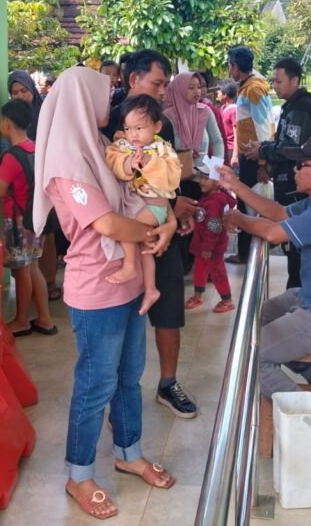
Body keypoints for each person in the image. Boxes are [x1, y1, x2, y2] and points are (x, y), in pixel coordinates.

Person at [32, 67, 177, 520]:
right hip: (98, 286)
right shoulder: (64, 163)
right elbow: (108, 224)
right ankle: (79, 475)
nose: (110, 99)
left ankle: (128, 452)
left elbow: (140, 196)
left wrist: (166, 223)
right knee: (96, 384)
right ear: (81, 99)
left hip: (130, 281)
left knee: (129, 376)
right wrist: (153, 232)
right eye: (103, 93)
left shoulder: (100, 146)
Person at [219, 133, 311, 471]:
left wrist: (240, 221)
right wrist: (236, 187)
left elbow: (273, 233)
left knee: (252, 355)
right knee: (251, 322)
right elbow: (277, 212)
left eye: (300, 165)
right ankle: (309, 368)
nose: (294, 170)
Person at [102, 50, 200, 419]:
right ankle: (118, 396)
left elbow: (167, 181)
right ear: (133, 80)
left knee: (169, 307)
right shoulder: (108, 121)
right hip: (121, 231)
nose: (163, 91)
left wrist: (173, 217)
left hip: (160, 228)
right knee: (121, 316)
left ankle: (167, 382)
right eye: (157, 83)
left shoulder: (163, 125)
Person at [240, 57, 311, 288]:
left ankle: (297, 295)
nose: (274, 85)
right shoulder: (291, 107)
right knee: (291, 248)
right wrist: (267, 163)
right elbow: (285, 143)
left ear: (294, 80)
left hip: (297, 189)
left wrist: (263, 149)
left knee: (296, 248)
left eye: (279, 80)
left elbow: (294, 148)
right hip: (287, 182)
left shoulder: (302, 108)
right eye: (273, 80)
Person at [105, 94, 181, 315]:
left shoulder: (162, 149)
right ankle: (150, 288)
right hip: (134, 204)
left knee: (128, 229)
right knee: (145, 246)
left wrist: (149, 163)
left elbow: (172, 177)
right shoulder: (123, 145)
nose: (133, 134)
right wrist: (128, 163)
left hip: (155, 207)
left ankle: (129, 266)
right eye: (128, 129)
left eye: (139, 128)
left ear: (156, 126)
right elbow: (111, 159)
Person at [0, 99, 57, 337]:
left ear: (7, 124)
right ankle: (44, 318)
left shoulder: (10, 157)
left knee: (21, 271)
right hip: (35, 218)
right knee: (33, 267)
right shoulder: (36, 149)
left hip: (17, 221)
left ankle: (21, 320)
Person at [225, 45, 275, 265]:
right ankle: (250, 250)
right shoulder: (251, 85)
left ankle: (247, 251)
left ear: (235, 67)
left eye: (229, 66)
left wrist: (263, 161)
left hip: (254, 156)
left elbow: (263, 125)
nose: (229, 70)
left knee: (249, 202)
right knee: (249, 201)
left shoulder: (252, 89)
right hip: (252, 154)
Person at [183, 163, 236, 313]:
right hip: (202, 245)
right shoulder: (208, 197)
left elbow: (214, 226)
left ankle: (227, 300)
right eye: (201, 177)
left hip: (211, 247)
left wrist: (207, 248)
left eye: (207, 178)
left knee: (217, 272)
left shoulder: (214, 202)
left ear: (218, 182)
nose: (202, 181)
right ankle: (197, 295)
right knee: (200, 270)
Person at [164, 71, 225, 164]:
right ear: (179, 89)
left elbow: (217, 141)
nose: (197, 91)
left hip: (203, 174)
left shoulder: (205, 111)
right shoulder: (168, 116)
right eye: (191, 88)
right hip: (176, 175)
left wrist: (216, 167)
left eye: (199, 87)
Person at [8, 69, 43, 140]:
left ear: (31, 89)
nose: (20, 96)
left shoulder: (44, 111)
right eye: (15, 93)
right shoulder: (9, 114)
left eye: (24, 91)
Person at [217, 80, 238, 164]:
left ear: (225, 95)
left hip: (231, 149)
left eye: (219, 91)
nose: (217, 93)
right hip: (224, 147)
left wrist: (235, 155)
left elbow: (237, 134)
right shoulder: (222, 108)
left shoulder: (233, 111)